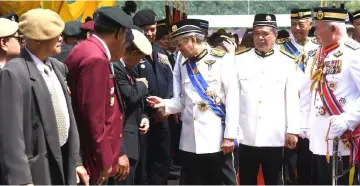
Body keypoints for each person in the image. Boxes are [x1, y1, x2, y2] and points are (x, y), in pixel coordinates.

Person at [0, 8, 88, 185]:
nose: (61, 38)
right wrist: (21, 180)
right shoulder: (14, 73)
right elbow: (10, 132)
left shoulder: (57, 67)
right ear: (36, 40)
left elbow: (68, 117)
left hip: (64, 160)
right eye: (54, 34)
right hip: (37, 168)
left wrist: (76, 160)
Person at [146, 19, 240, 185]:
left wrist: (230, 136)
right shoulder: (184, 64)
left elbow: (233, 99)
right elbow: (185, 101)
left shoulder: (223, 60)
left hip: (217, 138)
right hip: (191, 140)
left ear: (193, 40)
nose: (178, 48)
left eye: (180, 43)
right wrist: (164, 104)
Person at [65, 7, 133, 185]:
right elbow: (93, 119)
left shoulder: (87, 48)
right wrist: (104, 160)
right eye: (125, 36)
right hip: (91, 158)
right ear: (119, 33)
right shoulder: (96, 58)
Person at [235, 13, 300, 185]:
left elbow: (292, 98)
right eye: (256, 34)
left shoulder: (287, 62)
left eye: (265, 34)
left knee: (275, 180)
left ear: (275, 35)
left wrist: (293, 129)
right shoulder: (239, 60)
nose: (260, 38)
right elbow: (234, 98)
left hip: (275, 136)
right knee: (247, 180)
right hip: (246, 134)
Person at [302, 7, 360, 185]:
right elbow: (307, 92)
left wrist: (348, 119)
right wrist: (305, 125)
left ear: (333, 30)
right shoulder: (316, 54)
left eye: (318, 28)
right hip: (319, 138)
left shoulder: (354, 53)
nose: (315, 33)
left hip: (343, 139)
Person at [277, 8, 319, 185]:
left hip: (313, 115)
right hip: (288, 115)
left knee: (310, 167)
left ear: (310, 25)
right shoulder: (281, 47)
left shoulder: (319, 47)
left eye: (301, 24)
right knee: (288, 166)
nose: (296, 28)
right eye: (293, 24)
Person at [132, 9, 173, 185]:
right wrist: (152, 110)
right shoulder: (132, 52)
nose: (150, 33)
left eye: (153, 28)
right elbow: (135, 85)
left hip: (163, 118)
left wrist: (167, 105)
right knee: (142, 168)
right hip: (143, 120)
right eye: (145, 29)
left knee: (161, 165)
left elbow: (171, 80)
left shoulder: (160, 52)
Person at [109, 28, 151, 185]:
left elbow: (140, 100)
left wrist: (145, 116)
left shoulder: (128, 70)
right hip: (123, 141)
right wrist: (142, 85)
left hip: (134, 138)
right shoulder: (116, 68)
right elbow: (130, 96)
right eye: (140, 58)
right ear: (133, 54)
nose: (140, 62)